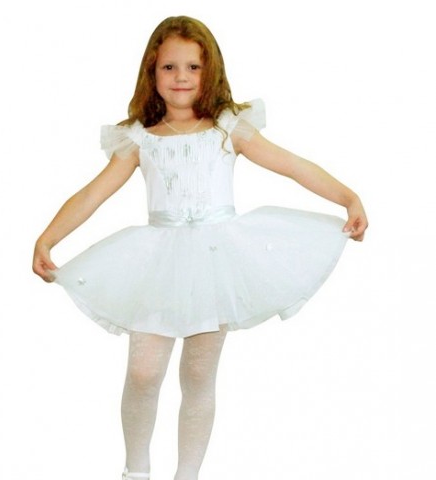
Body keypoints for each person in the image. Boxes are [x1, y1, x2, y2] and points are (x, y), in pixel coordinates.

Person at [32, 15, 367, 480]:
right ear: (152, 72)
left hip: (216, 264)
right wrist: (48, 237)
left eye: (193, 67)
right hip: (158, 263)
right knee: (144, 372)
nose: (182, 77)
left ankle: (186, 475)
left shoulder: (229, 128)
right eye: (169, 67)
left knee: (197, 375)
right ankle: (136, 469)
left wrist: (347, 197)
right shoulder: (140, 138)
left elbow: (291, 165)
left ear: (210, 71)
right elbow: (93, 194)